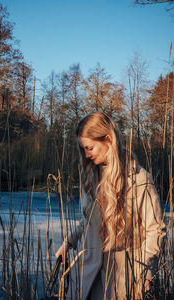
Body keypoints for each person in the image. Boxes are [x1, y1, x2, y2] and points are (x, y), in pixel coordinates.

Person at [56, 112, 166, 300]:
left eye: (89, 148)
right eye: (83, 150)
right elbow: (88, 220)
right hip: (86, 275)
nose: (86, 154)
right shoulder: (91, 177)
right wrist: (69, 242)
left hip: (121, 280)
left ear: (108, 139)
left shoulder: (139, 179)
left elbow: (154, 230)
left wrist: (145, 273)